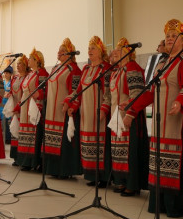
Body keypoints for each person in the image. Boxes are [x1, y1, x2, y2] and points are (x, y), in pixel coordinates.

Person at [124, 20, 183, 217]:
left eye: (174, 35)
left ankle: (180, 207)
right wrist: (132, 108)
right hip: (160, 125)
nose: (168, 38)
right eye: (167, 35)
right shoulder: (162, 62)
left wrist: (181, 101)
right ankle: (162, 205)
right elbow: (150, 91)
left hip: (179, 124)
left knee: (177, 163)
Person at [102, 37, 149, 196]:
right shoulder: (115, 72)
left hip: (129, 117)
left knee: (129, 152)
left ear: (128, 53)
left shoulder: (132, 68)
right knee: (117, 151)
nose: (116, 54)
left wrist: (130, 113)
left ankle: (132, 184)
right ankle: (120, 181)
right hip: (116, 118)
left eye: (120, 51)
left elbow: (137, 94)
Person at [64, 36, 111, 187]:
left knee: (100, 144)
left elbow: (108, 93)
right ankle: (91, 175)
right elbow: (79, 91)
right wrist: (71, 104)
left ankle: (102, 178)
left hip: (98, 112)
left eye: (93, 48)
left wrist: (104, 109)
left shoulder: (106, 68)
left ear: (101, 52)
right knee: (86, 143)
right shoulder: (86, 69)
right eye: (89, 48)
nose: (90, 51)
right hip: (85, 113)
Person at [43, 38, 82, 178]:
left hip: (64, 111)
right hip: (51, 111)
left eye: (63, 51)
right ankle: (52, 169)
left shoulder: (74, 69)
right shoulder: (54, 69)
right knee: (50, 138)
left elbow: (76, 90)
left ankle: (64, 171)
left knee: (64, 141)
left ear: (70, 54)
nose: (59, 53)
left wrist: (70, 104)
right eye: (59, 51)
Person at [14, 48, 48, 171]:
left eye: (30, 58)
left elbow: (45, 90)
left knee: (35, 136)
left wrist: (39, 95)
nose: (28, 60)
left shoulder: (42, 73)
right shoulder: (30, 74)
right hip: (25, 108)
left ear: (37, 60)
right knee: (25, 135)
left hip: (35, 108)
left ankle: (35, 162)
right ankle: (25, 161)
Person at [8, 55, 30, 166]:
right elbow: (13, 90)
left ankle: (22, 157)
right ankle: (16, 157)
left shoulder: (28, 77)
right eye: (17, 64)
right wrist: (9, 94)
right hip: (14, 107)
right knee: (15, 130)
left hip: (23, 107)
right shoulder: (15, 77)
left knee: (22, 132)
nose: (18, 65)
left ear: (25, 65)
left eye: (20, 63)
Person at [0, 66, 13, 144]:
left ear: (10, 74)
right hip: (1, 104)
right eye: (4, 73)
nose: (5, 74)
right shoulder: (2, 82)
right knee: (2, 121)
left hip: (8, 104)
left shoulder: (12, 82)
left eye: (7, 73)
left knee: (7, 121)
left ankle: (8, 138)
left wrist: (7, 94)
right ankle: (2, 137)